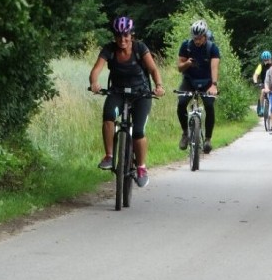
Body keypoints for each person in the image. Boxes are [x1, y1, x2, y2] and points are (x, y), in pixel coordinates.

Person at [89, 16, 165, 188]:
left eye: (125, 35)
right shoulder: (109, 49)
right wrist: (94, 82)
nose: (122, 39)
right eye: (118, 36)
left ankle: (141, 168)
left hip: (141, 94)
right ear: (114, 36)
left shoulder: (140, 48)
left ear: (132, 35)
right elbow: (96, 69)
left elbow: (153, 69)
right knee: (108, 116)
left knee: (138, 131)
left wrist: (159, 86)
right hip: (118, 92)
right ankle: (109, 156)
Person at [176, 19, 221, 153]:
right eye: (195, 38)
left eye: (199, 38)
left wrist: (213, 85)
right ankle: (185, 133)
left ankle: (207, 139)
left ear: (205, 36)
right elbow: (179, 67)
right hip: (189, 80)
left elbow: (214, 67)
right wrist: (187, 64)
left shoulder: (212, 48)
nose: (197, 41)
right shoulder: (186, 46)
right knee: (181, 103)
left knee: (209, 105)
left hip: (207, 81)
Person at [251, 50, 272, 117]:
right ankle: (262, 109)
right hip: (264, 83)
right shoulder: (261, 66)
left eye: (267, 60)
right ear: (263, 60)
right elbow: (255, 75)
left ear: (270, 59)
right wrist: (255, 81)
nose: (266, 61)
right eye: (265, 60)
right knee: (262, 92)